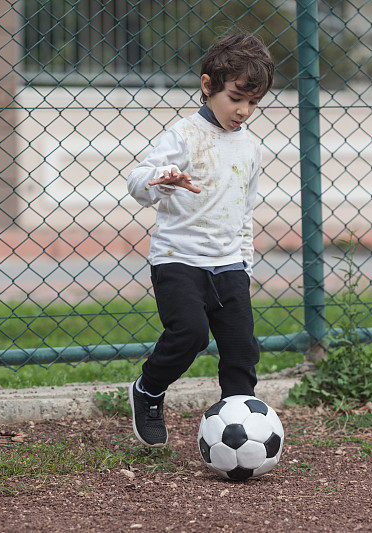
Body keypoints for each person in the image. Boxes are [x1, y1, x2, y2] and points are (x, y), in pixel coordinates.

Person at [125, 33, 275, 447]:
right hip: (178, 259)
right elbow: (137, 182)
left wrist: (244, 264)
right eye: (236, 98)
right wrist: (163, 181)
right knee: (189, 334)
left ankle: (239, 422)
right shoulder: (183, 136)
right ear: (208, 86)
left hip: (228, 264)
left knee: (242, 350)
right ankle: (149, 390)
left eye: (254, 102)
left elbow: (245, 211)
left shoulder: (250, 148)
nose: (243, 111)